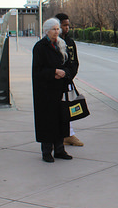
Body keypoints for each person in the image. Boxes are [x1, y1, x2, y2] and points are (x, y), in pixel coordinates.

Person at [32, 18, 73, 162]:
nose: (57, 32)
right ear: (46, 31)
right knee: (47, 121)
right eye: (53, 29)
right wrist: (53, 72)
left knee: (61, 119)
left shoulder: (62, 45)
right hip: (45, 91)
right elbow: (37, 70)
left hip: (59, 89)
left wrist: (64, 73)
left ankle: (60, 149)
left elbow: (69, 65)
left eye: (57, 29)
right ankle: (47, 151)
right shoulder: (40, 47)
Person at [55, 13, 83, 147]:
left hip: (67, 81)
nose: (67, 28)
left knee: (68, 108)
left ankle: (68, 134)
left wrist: (69, 76)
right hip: (56, 81)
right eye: (64, 25)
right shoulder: (53, 42)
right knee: (57, 109)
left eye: (68, 25)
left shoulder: (70, 42)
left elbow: (75, 62)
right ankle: (59, 135)